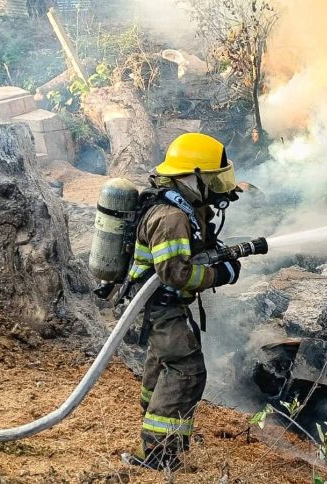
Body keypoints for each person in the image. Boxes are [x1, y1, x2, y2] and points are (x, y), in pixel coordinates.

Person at [121, 133, 242, 471]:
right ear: (194, 174)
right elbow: (175, 272)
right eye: (213, 179)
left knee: (163, 362)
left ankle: (157, 422)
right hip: (161, 304)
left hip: (160, 303)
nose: (219, 188)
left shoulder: (182, 206)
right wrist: (221, 275)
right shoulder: (171, 216)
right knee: (186, 369)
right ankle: (160, 451)